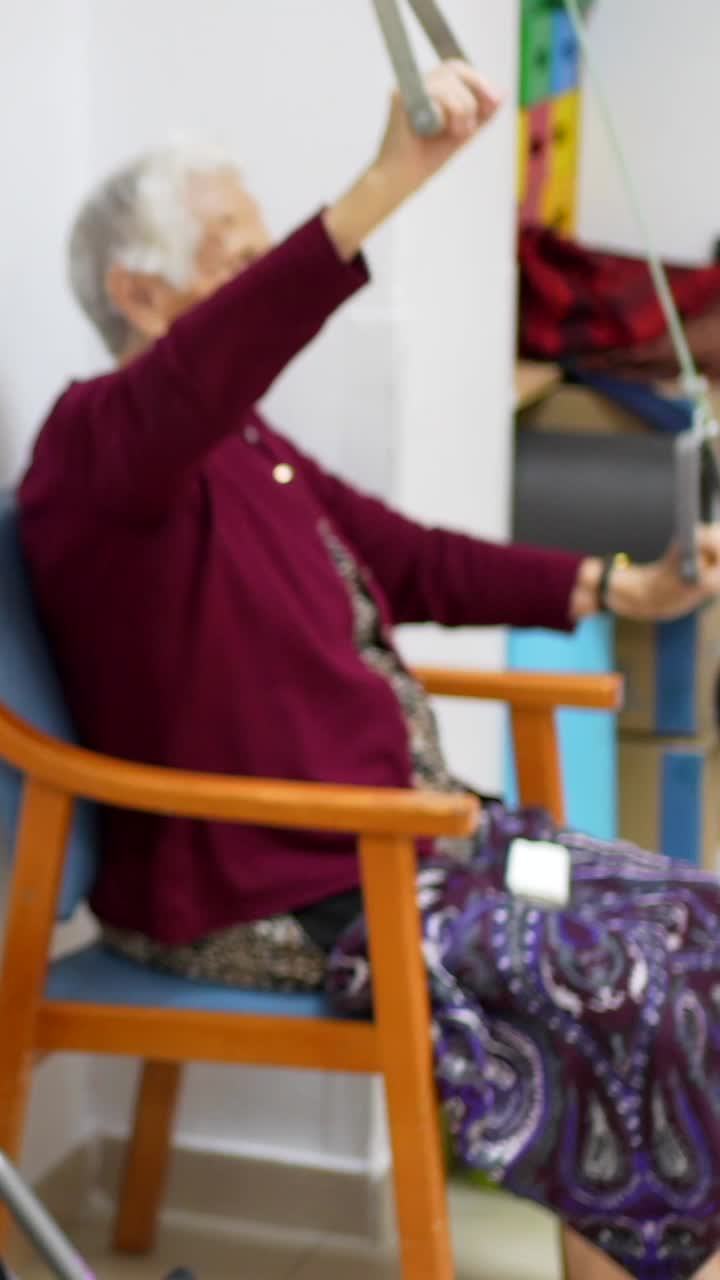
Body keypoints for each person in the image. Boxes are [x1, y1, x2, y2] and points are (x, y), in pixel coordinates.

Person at [18, 61, 720, 1280]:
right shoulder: (96, 447)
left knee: (694, 916)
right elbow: (196, 374)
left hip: (419, 849)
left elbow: (408, 556)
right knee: (636, 972)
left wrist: (619, 585)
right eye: (238, 259)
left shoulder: (244, 449)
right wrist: (383, 186)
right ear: (140, 292)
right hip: (289, 890)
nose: (268, 280)